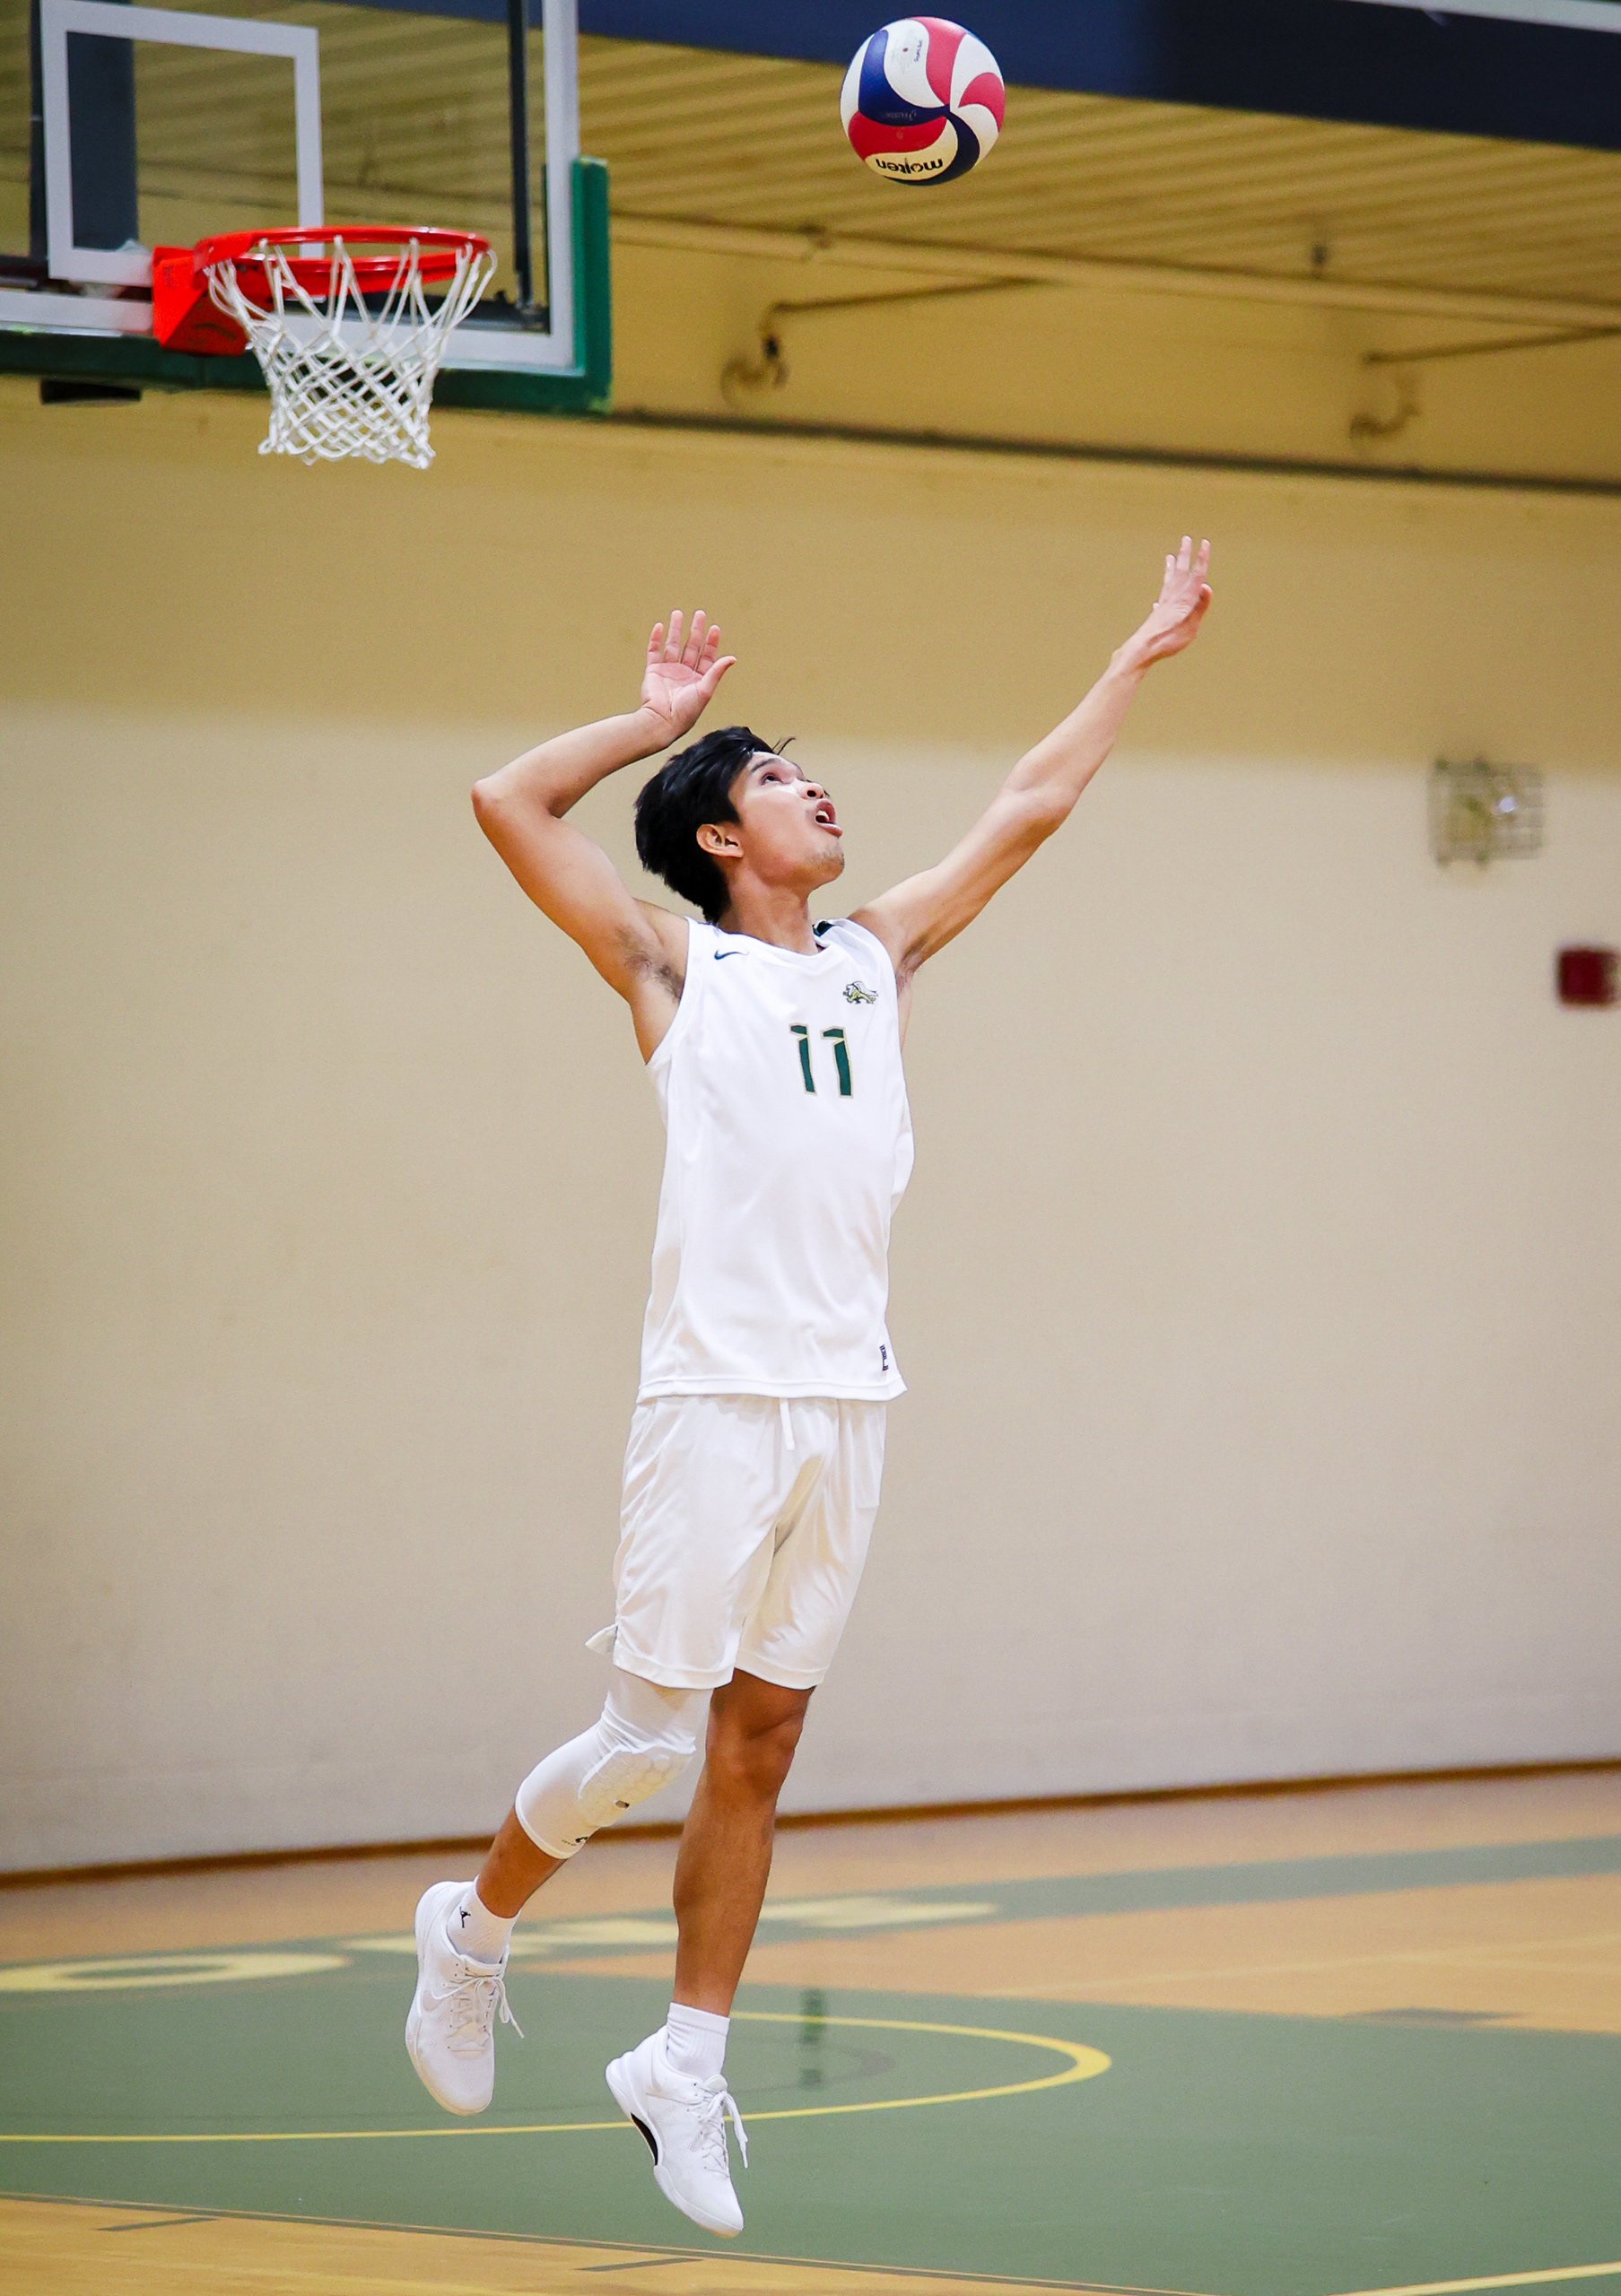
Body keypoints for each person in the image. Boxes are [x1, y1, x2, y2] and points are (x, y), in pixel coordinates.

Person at [405, 537, 1214, 2237]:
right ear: (721, 839)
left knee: (759, 1751)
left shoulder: (876, 955)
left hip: (851, 1401)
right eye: (782, 782)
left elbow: (1031, 803)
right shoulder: (672, 969)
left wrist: (1134, 657)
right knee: (643, 1743)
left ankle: (683, 2066)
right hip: (712, 1398)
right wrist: (651, 721)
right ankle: (468, 1934)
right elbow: (501, 801)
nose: (819, 794)